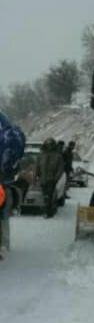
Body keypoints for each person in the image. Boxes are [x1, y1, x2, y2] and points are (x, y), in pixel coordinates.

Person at [0, 110, 26, 256]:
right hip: (5, 181)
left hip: (3, 182)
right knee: (3, 216)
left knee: (2, 216)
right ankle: (4, 245)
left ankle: (4, 245)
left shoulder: (8, 132)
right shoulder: (10, 131)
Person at [36, 138, 63, 218]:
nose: (49, 146)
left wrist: (56, 178)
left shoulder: (58, 156)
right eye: (48, 144)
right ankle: (48, 210)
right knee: (45, 195)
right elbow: (37, 166)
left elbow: (60, 168)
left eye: (51, 144)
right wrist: (36, 176)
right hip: (43, 179)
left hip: (52, 179)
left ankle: (48, 212)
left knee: (49, 195)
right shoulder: (41, 155)